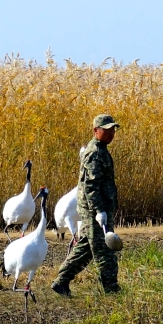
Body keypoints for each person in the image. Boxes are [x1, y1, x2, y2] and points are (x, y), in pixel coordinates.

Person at [53, 113, 122, 296]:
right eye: (106, 130)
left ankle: (61, 282)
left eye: (113, 129)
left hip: (100, 208)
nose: (111, 133)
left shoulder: (102, 150)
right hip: (94, 210)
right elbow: (90, 186)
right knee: (104, 251)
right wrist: (99, 211)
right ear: (96, 131)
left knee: (85, 248)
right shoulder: (94, 153)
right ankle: (111, 289)